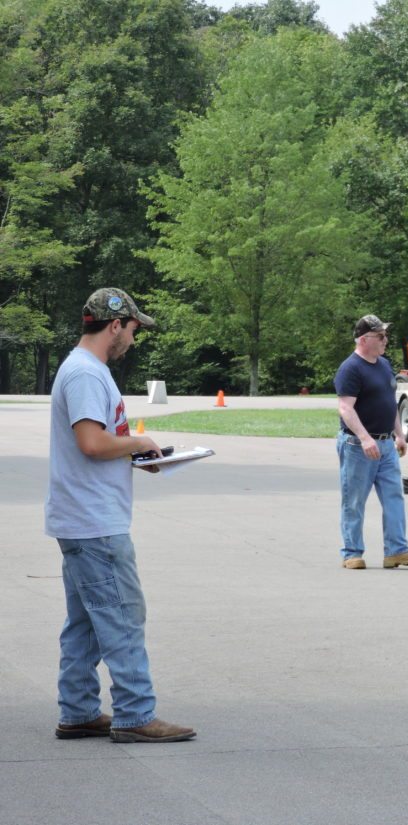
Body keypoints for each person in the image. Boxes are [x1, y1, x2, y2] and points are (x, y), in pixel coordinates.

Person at [46, 288, 195, 744]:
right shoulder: (87, 375)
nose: (133, 338)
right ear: (115, 325)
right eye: (132, 329)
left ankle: (78, 711)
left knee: (86, 621)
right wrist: (137, 444)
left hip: (81, 518)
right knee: (123, 616)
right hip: (95, 523)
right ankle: (134, 714)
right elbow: (92, 443)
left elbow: (96, 444)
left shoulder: (84, 370)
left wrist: (139, 455)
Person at [336, 314, 408, 570]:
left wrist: (399, 434)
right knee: (354, 501)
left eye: (385, 335)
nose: (386, 340)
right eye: (380, 336)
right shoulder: (351, 368)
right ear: (364, 339)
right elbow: (345, 408)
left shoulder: (384, 365)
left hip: (386, 445)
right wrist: (365, 439)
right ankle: (351, 553)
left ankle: (396, 551)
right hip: (358, 446)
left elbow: (390, 403)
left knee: (394, 497)